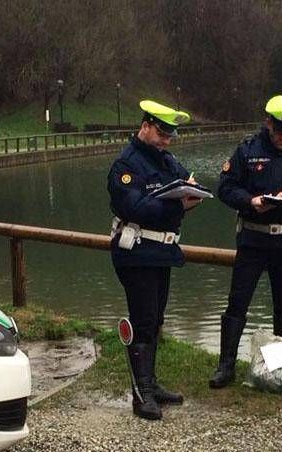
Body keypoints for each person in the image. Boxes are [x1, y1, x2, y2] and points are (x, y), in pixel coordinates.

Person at [209, 95, 282, 389]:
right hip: (253, 239)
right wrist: (250, 201)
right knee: (237, 303)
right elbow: (225, 187)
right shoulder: (247, 151)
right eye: (279, 131)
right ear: (268, 123)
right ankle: (226, 366)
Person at [108, 100, 203, 420]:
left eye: (169, 136)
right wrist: (179, 205)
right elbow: (135, 208)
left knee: (156, 318)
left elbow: (186, 184)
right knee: (144, 321)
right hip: (136, 252)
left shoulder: (166, 161)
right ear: (145, 126)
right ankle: (141, 394)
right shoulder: (126, 165)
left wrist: (193, 193)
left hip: (161, 252)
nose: (166, 141)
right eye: (161, 134)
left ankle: (151, 383)